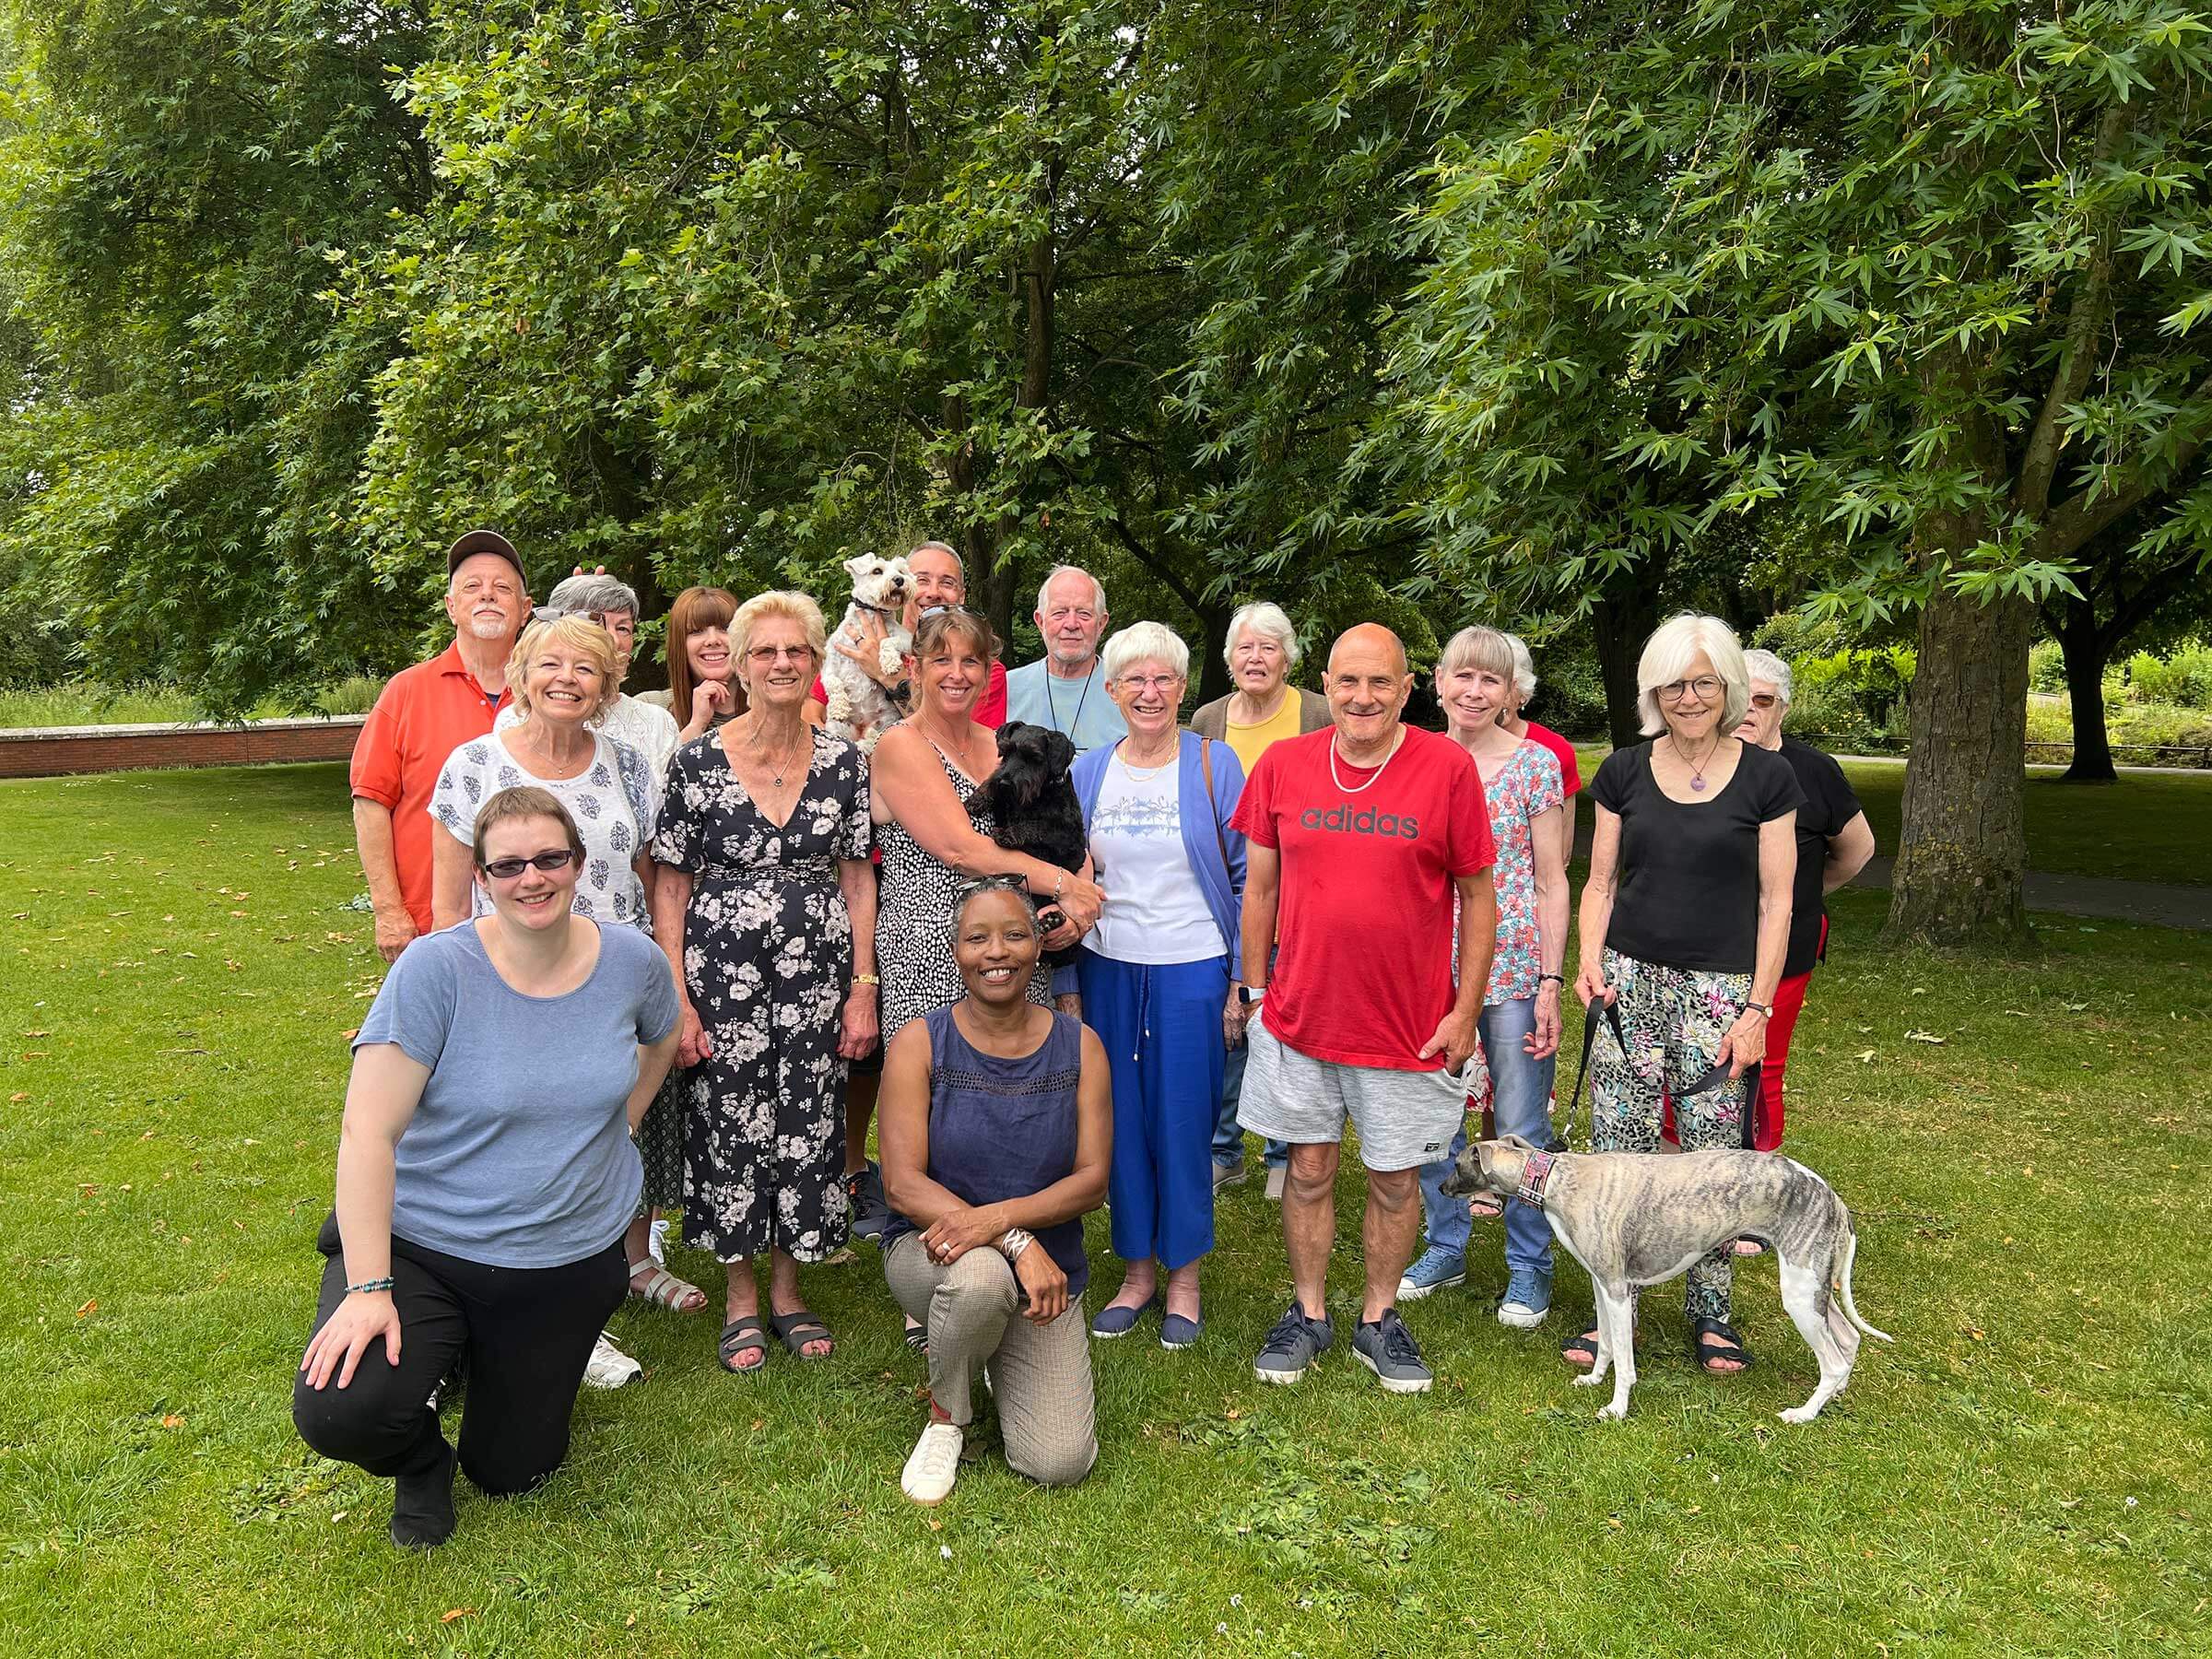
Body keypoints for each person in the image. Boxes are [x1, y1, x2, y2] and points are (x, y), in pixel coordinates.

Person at [293, 788, 679, 1550]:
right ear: (481, 875)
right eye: (508, 865)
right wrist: (369, 1289)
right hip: (429, 1245)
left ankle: (471, 1361)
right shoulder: (438, 971)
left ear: (578, 862)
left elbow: (660, 1042)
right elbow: (367, 1132)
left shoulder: (633, 961)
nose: (531, 878)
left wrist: (621, 1122)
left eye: (549, 858)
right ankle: (419, 1459)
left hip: (564, 1255)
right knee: (346, 1411)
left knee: (513, 1473)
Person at [1231, 624, 1498, 1395]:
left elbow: (1478, 897)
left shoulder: (1445, 768)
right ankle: (1309, 1313)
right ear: (1326, 684)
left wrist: (1465, 1010)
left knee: (1395, 1179)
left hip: (1408, 1024)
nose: (1363, 698)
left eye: (1380, 683)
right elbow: (1261, 889)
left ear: (1407, 688)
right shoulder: (1284, 765)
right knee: (1308, 1169)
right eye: (1348, 682)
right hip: (1300, 1016)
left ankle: (1379, 1319)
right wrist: (1253, 992)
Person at [429, 613, 676, 1374]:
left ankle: (604, 1278)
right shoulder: (473, 765)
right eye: (553, 664)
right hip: (512, 983)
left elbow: (652, 877)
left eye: (587, 668)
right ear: (523, 673)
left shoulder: (630, 764)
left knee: (610, 1132)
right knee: (530, 1137)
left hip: (612, 981)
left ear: (606, 686)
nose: (568, 678)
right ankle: (527, 1302)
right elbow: (447, 906)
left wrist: (664, 972)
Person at [650, 593, 877, 1374]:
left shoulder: (845, 760)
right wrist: (676, 996)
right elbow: (670, 886)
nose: (782, 664)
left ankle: (789, 1288)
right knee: (729, 1117)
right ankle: (741, 1293)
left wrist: (862, 985)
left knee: (809, 1118)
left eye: (797, 651)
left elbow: (856, 881)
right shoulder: (698, 762)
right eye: (766, 652)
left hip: (817, 972)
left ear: (815, 663)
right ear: (740, 666)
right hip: (722, 975)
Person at [1571, 613, 1803, 1377]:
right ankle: (1612, 1315)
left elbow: (1778, 903)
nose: (1689, 697)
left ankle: (1712, 1314)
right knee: (1619, 1152)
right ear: (1654, 691)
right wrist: (1589, 960)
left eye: (1704, 682)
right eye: (1674, 683)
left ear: (1730, 688)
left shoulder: (1770, 779)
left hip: (1723, 992)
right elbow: (1599, 881)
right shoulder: (1624, 772)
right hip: (1629, 982)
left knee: (1712, 1163)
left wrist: (1759, 1009)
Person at [878, 877, 1111, 1504]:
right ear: (956, 951)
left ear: (1039, 946)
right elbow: (901, 1183)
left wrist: (1008, 1230)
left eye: (1014, 934)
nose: (996, 952)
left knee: (1057, 1460)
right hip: (936, 1256)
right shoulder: (919, 1042)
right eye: (977, 938)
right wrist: (1010, 1238)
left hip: (1047, 1274)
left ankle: (977, 1342)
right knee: (981, 1280)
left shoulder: (1080, 1046)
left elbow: (1092, 1181)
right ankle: (947, 1415)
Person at [802, 538, 1006, 1243]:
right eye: (926, 580)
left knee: (992, 1080)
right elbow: (823, 716)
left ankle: (992, 1217)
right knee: (921, 1075)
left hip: (997, 926)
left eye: (969, 662)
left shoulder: (993, 731)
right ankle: (915, 1230)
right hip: (920, 915)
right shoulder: (892, 721)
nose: (958, 672)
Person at [1070, 622, 1246, 1349]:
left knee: (1182, 1122)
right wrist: (1067, 979)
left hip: (1193, 968)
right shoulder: (1086, 772)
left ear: (1182, 688)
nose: (1149, 692)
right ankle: (1136, 1271)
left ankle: (1184, 1279)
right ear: (1111, 692)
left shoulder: (1215, 764)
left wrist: (1240, 982)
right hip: (1108, 966)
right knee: (1118, 1126)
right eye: (1134, 680)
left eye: (1163, 679)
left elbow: (1247, 878)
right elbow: (1067, 879)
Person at [1398, 628, 1568, 1325]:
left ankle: (1530, 1266)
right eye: (1462, 677)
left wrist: (1553, 979)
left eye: (1490, 681)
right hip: (1423, 965)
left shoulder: (1535, 766)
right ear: (1437, 681)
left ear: (1511, 692)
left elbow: (1553, 879)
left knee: (1523, 1120)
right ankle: (1446, 1243)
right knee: (1433, 1116)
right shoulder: (1410, 759)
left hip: (1515, 966)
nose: (1473, 692)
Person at [1190, 601, 1331, 1198]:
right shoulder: (1207, 720)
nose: (1256, 658)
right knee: (1225, 1027)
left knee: (1284, 1025)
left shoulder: (1317, 713)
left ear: (1288, 658)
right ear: (1228, 659)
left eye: (1268, 647)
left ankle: (1281, 1151)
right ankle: (1225, 1151)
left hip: (1300, 893)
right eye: (1245, 647)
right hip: (1226, 895)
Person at [350, 530, 529, 963]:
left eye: (502, 587)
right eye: (472, 587)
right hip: (429, 926)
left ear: (525, 610)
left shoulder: (544, 694)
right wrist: (389, 911)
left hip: (532, 926)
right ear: (452, 607)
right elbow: (370, 803)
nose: (487, 595)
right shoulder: (407, 691)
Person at [1731, 647, 1875, 1159]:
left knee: (1761, 1062)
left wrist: (1797, 898)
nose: (1748, 708)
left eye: (1762, 699)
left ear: (1783, 708)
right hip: (1701, 940)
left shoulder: (1814, 770)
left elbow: (1857, 852)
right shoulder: (1700, 762)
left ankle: (1757, 1184)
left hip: (1786, 945)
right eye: (1736, 694)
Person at [806, 539, 1010, 733]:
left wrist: (890, 678)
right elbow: (809, 718)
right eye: (921, 580)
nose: (933, 592)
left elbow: (963, 746)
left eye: (947, 583)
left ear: (962, 596)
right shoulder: (855, 647)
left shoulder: (980, 670)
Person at [496, 571, 679, 777]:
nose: (614, 640)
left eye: (622, 628)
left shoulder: (656, 723)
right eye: (595, 623)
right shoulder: (515, 719)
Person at [1005, 565, 1128, 752]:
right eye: (1059, 613)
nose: (1071, 624)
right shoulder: (1006, 688)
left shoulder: (1130, 691)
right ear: (1040, 621)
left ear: (1101, 624)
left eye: (1084, 613)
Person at [1501, 632, 1583, 849]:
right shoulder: (1445, 749)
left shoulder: (1554, 751)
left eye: (1507, 684)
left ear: (1524, 694)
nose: (1496, 695)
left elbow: (1562, 851)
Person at [638, 585, 745, 742]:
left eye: (725, 629)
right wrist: (696, 725)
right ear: (679, 644)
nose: (713, 640)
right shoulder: (649, 708)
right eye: (696, 631)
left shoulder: (772, 709)